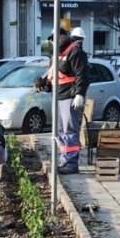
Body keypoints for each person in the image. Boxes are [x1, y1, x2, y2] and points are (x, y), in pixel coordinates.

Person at [35, 27, 89, 174]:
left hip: (70, 97)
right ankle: (64, 159)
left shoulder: (75, 52)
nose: (54, 41)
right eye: (52, 39)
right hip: (58, 96)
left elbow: (82, 76)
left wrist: (79, 94)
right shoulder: (56, 55)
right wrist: (44, 85)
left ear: (64, 36)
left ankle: (72, 163)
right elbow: (54, 77)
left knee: (69, 130)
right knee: (59, 131)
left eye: (57, 37)